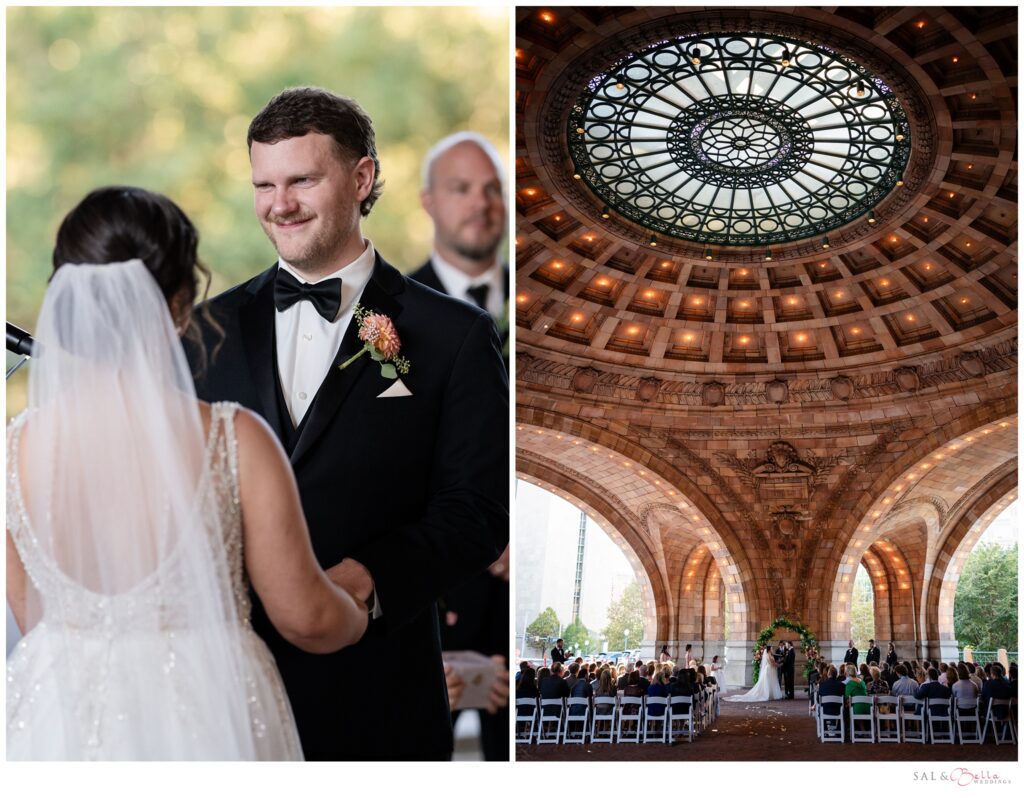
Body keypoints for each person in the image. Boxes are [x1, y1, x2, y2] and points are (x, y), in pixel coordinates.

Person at [188, 87, 508, 760]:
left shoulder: (454, 335)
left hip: (381, 692)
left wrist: (366, 581)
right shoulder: (202, 333)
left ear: (361, 178)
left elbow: (478, 510)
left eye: (302, 179)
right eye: (264, 184)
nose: (281, 204)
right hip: (225, 697)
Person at [6, 187, 368, 760]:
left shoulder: (13, 448)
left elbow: (31, 613)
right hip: (208, 713)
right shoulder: (233, 437)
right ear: (180, 305)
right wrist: (357, 606)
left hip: (59, 717)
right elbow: (305, 618)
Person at [416, 132, 508, 760]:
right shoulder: (384, 313)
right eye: (461, 188)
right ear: (428, 202)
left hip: (514, 612)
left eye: (492, 188)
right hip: (430, 604)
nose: (481, 203)